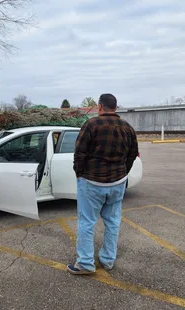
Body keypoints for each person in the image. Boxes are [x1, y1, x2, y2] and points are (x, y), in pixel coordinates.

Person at [67, 93, 139, 275]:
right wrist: (122, 174)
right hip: (117, 183)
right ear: (115, 107)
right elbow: (132, 154)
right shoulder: (127, 128)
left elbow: (79, 153)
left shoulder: (91, 125)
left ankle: (85, 263)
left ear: (100, 107)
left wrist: (80, 174)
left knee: (87, 222)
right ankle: (108, 260)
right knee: (113, 222)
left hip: (92, 182)